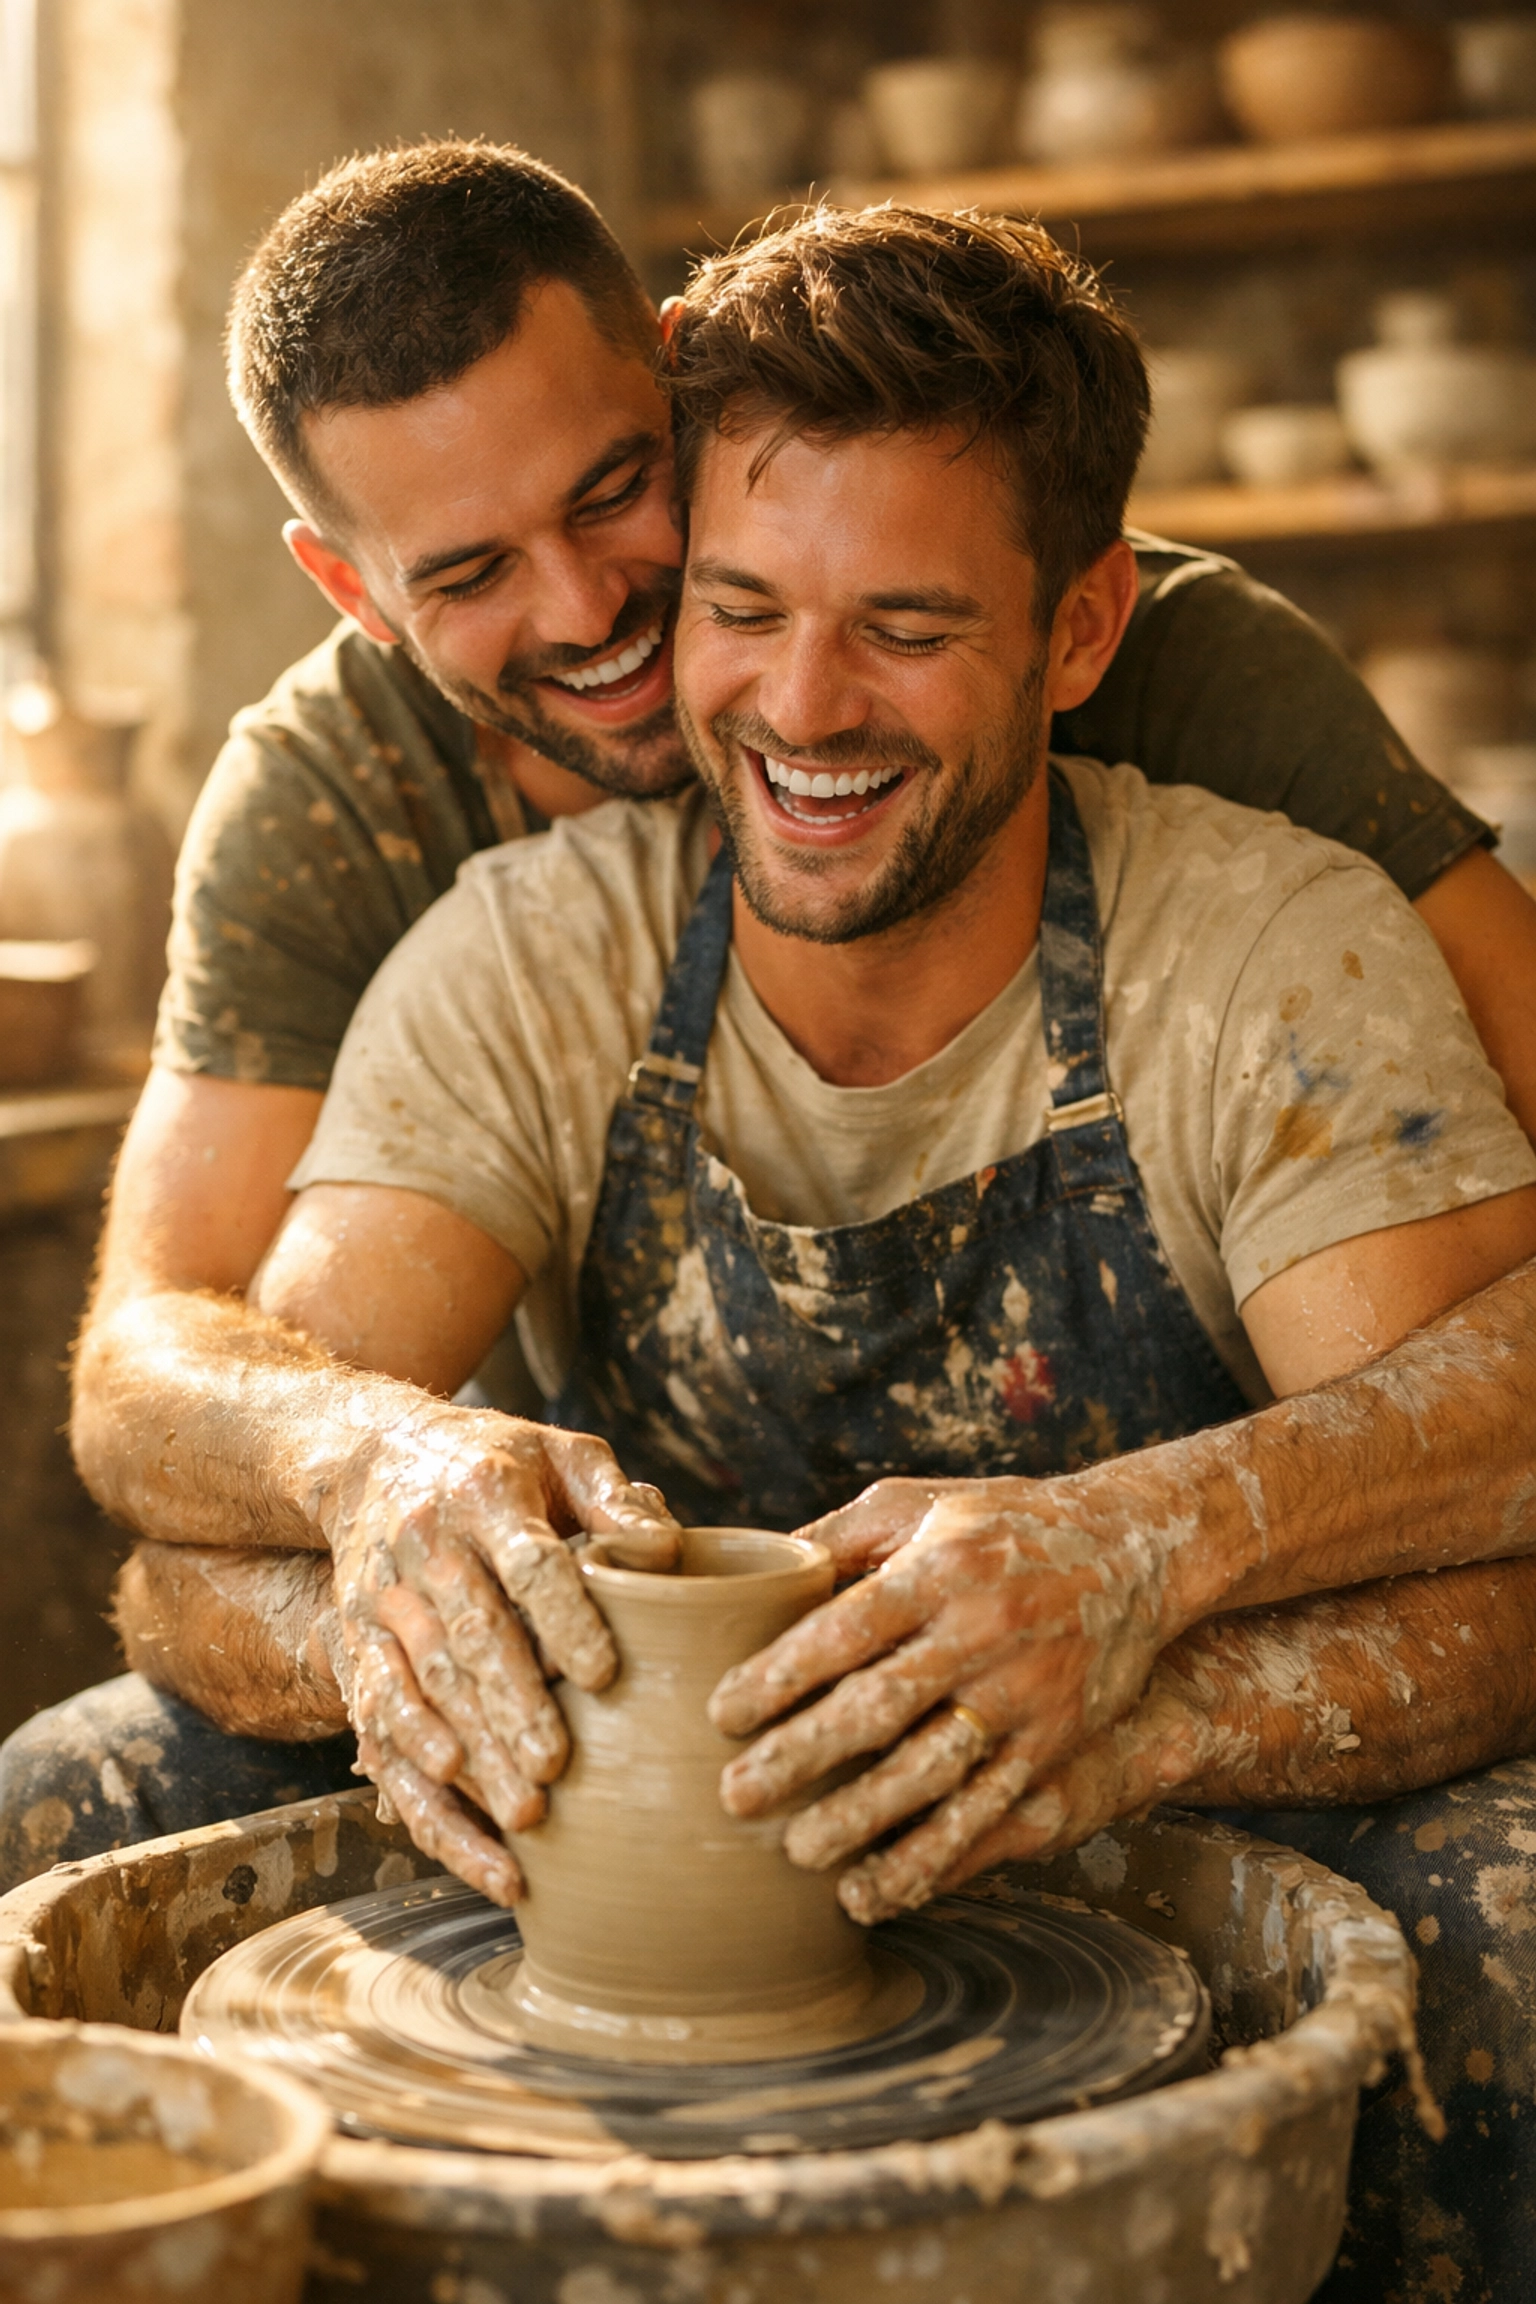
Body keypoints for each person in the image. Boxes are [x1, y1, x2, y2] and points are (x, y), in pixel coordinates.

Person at [52, 196, 1536, 2301]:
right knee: (67, 1803)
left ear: (1076, 632)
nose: (623, 629)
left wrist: (1138, 1582)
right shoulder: (463, 903)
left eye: (909, 628)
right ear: (358, 590)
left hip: (1164, 1686)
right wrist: (391, 1515)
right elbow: (170, 1434)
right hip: (613, 1780)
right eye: (738, 608)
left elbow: (1483, 1458)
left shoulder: (1248, 832)